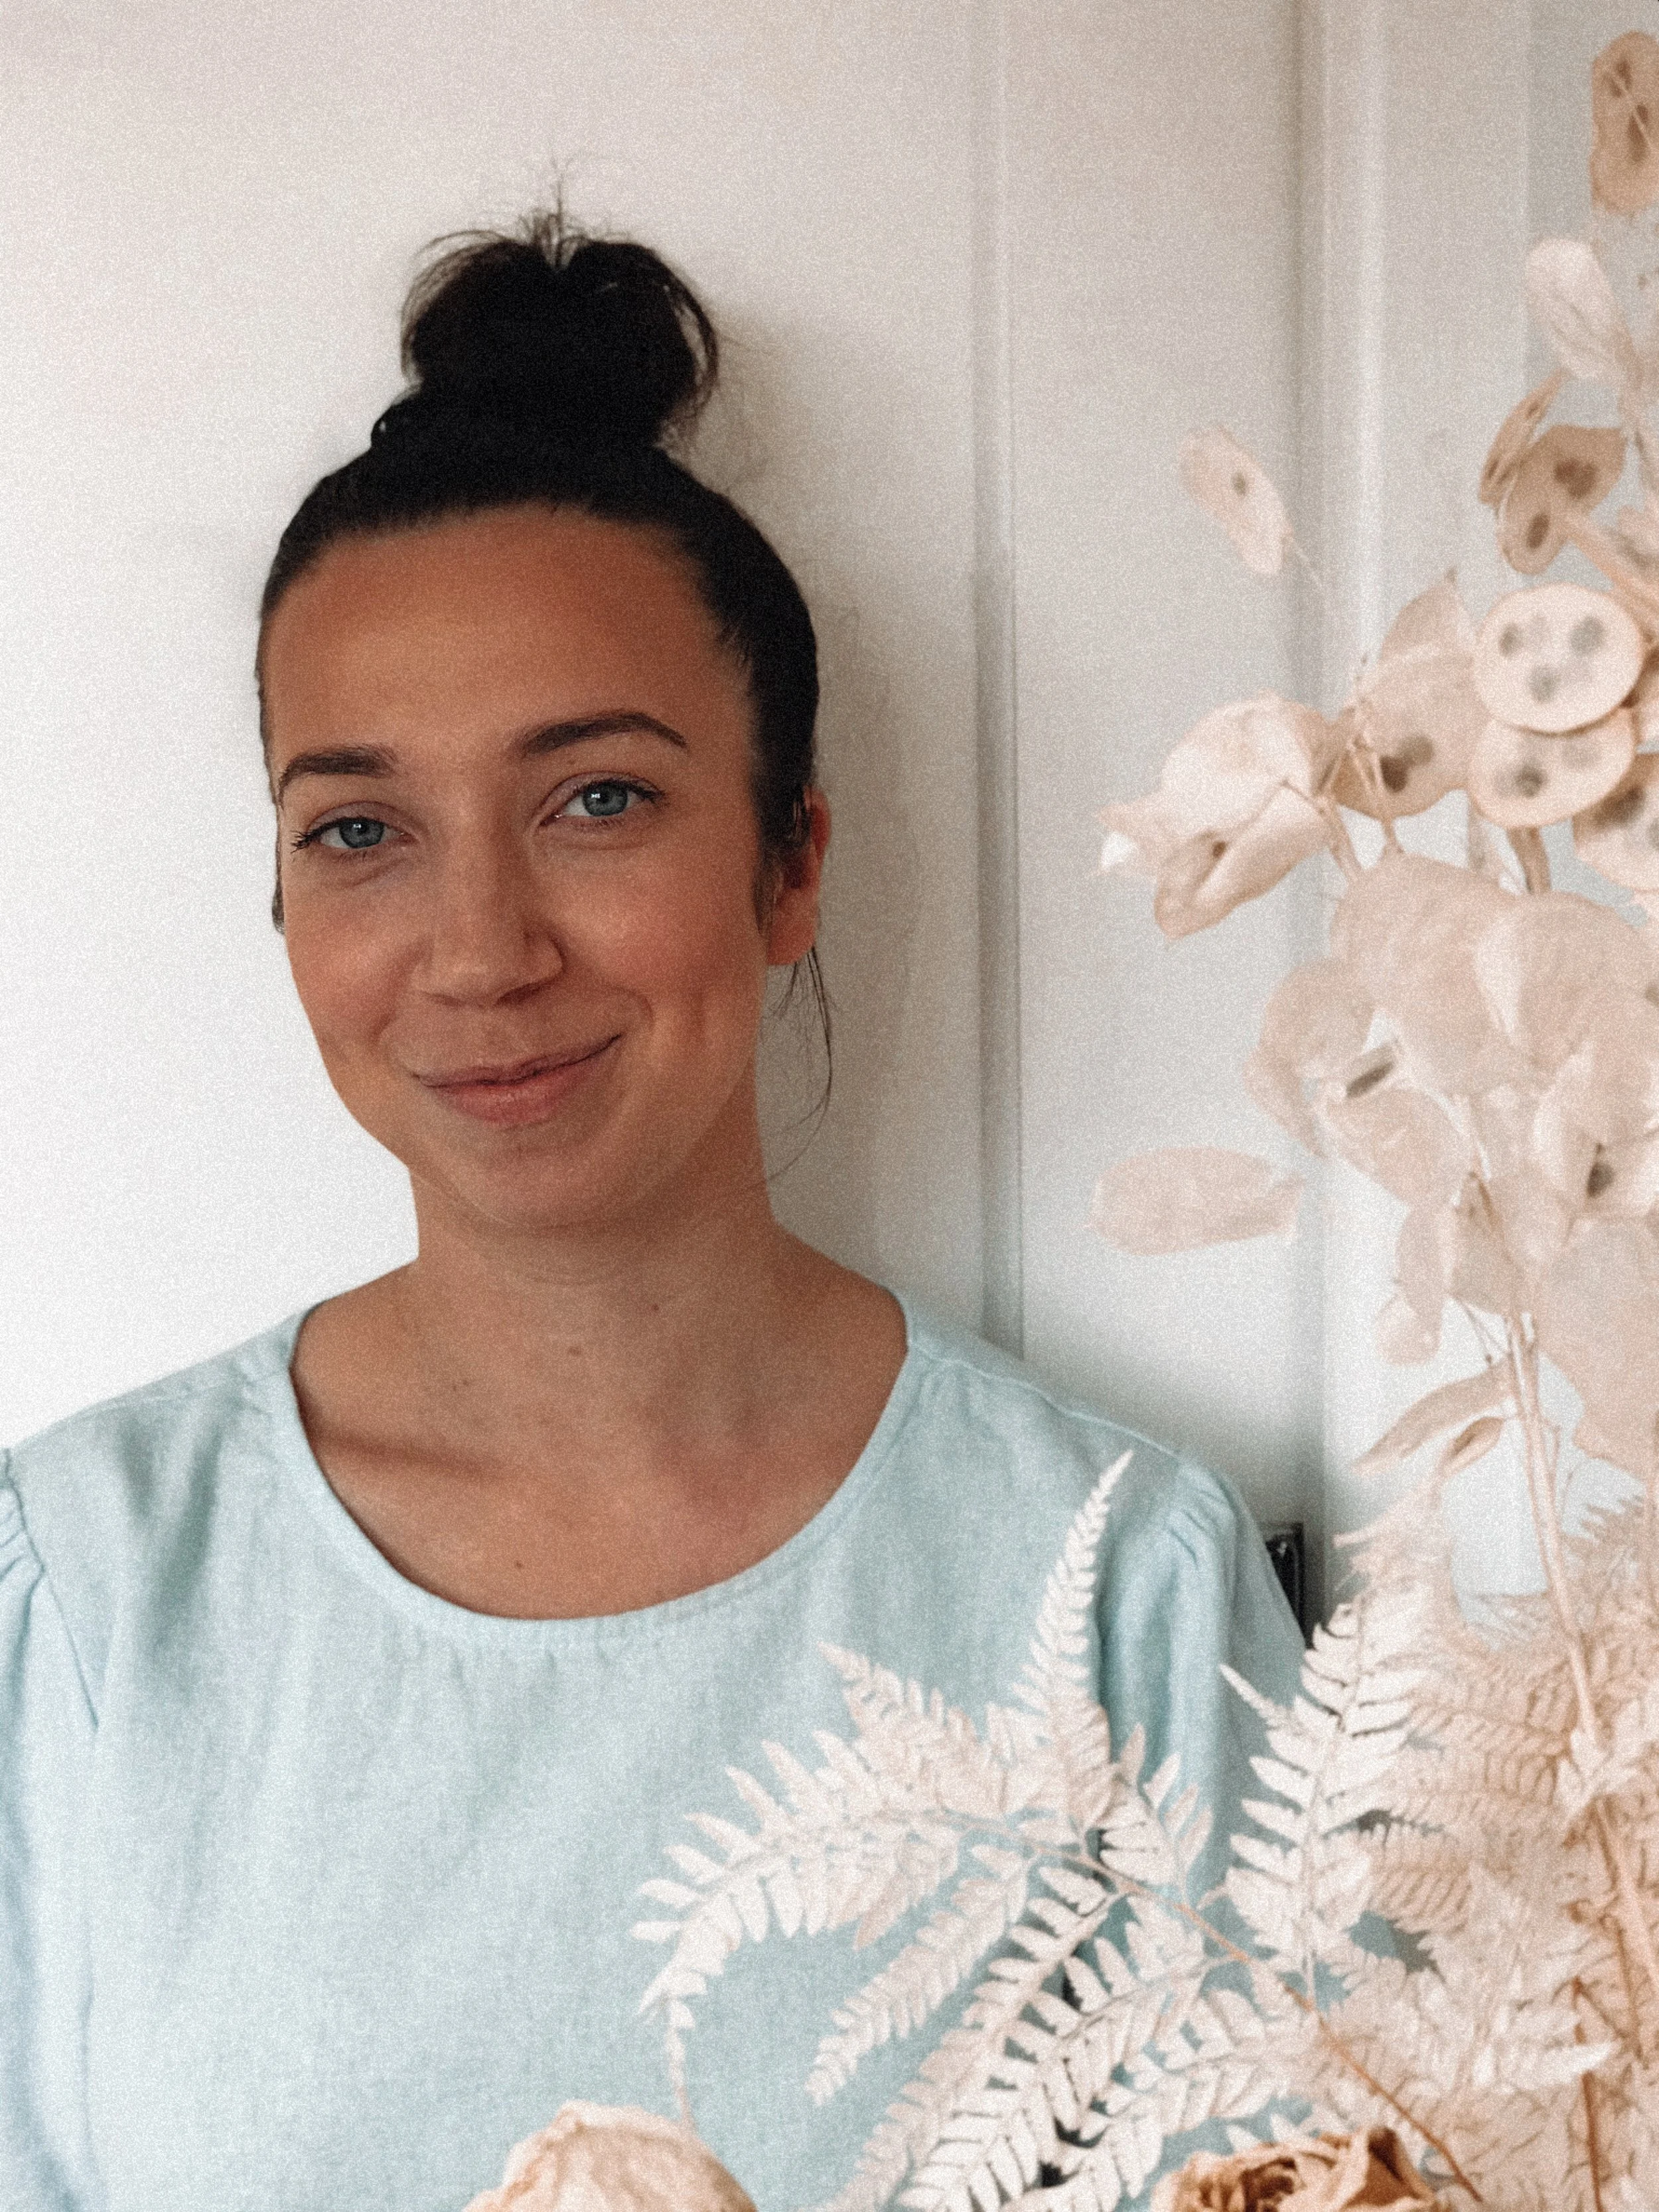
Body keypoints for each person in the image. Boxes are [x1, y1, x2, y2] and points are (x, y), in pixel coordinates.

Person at [0, 216, 1305, 2212]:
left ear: (790, 863)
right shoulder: (80, 1595)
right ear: (281, 904)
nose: (478, 948)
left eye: (594, 798)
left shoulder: (1109, 1581)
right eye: (358, 830)